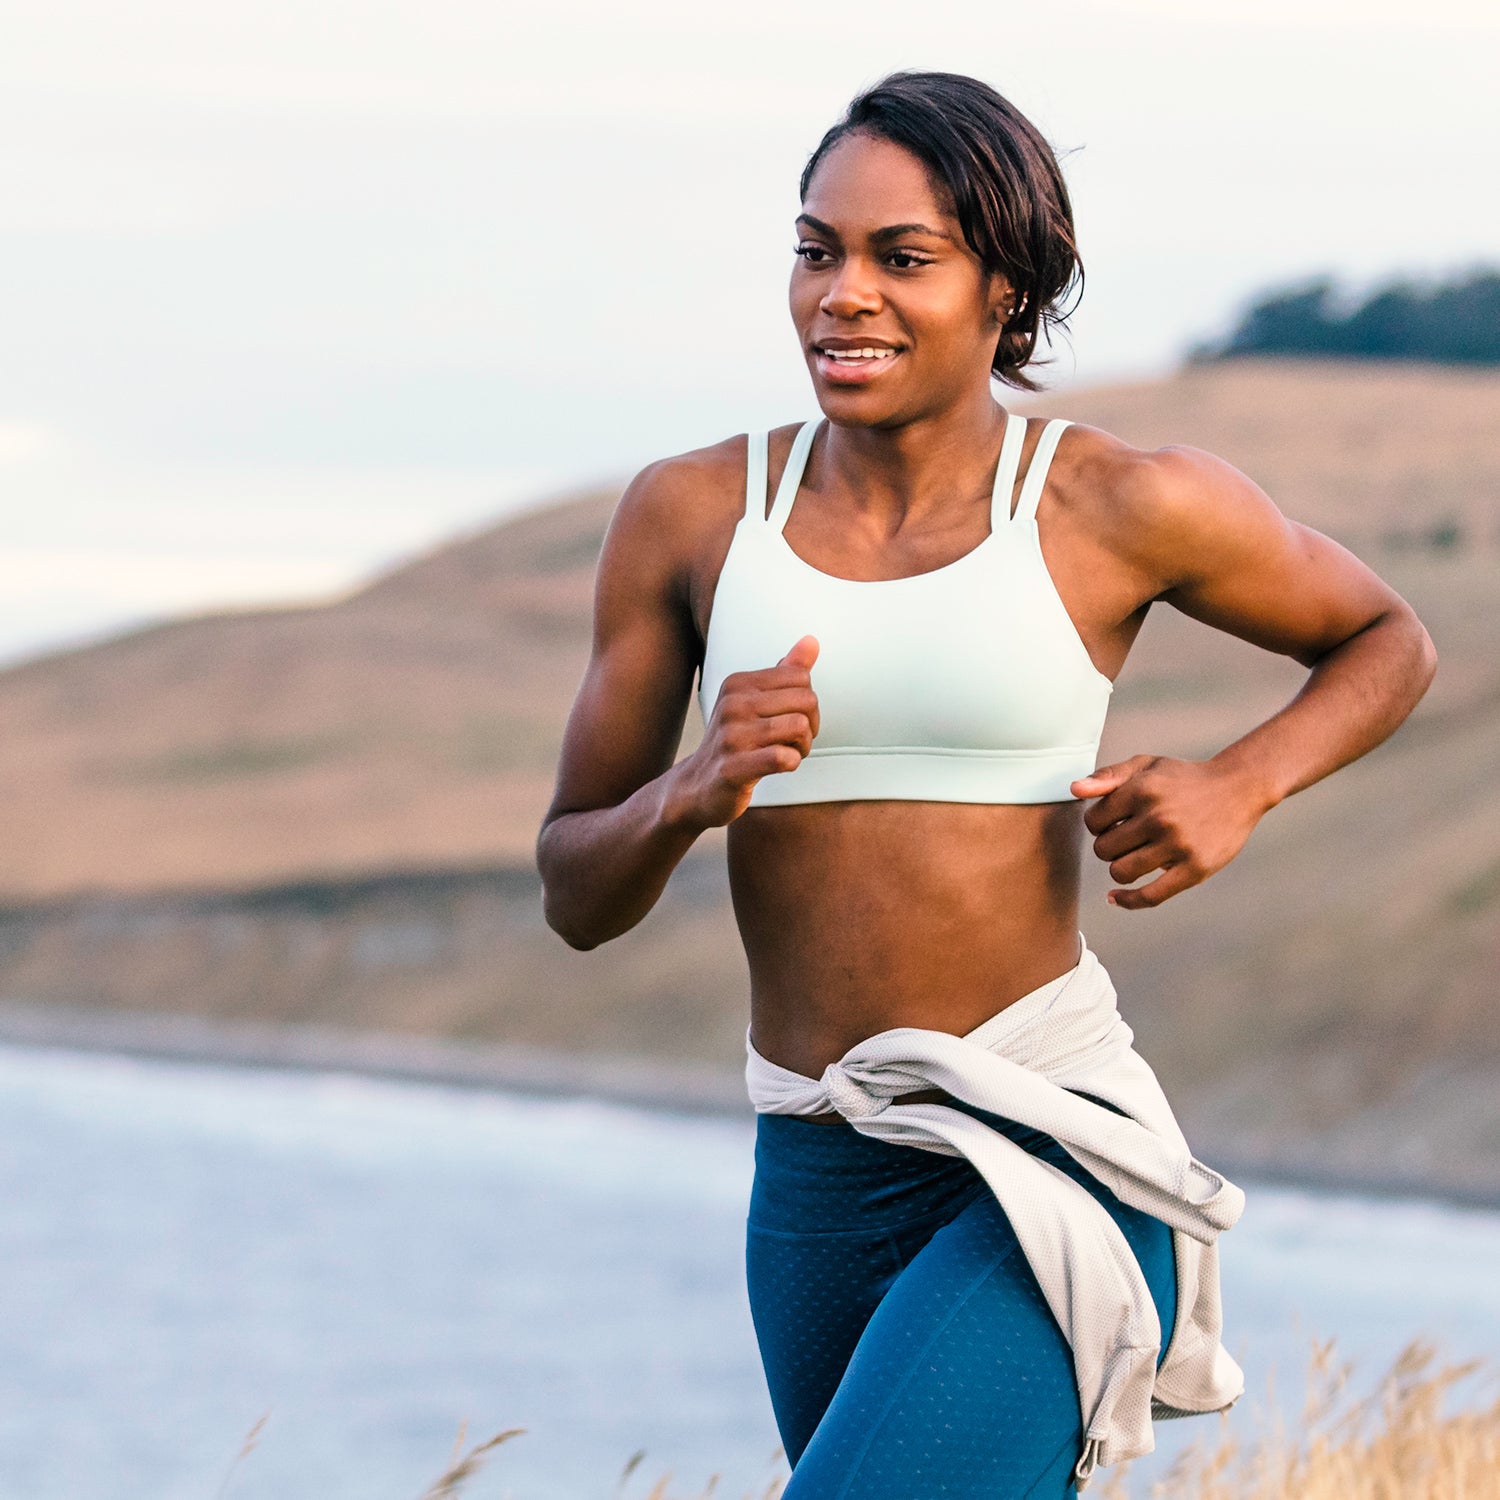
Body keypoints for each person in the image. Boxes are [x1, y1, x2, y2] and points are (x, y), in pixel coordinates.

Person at [534, 69, 1437, 1500]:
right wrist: (684, 792)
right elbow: (575, 892)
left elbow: (1387, 637)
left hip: (1047, 1132)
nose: (844, 294)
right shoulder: (698, 516)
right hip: (816, 1161)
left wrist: (1239, 786)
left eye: (904, 258)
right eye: (817, 248)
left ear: (1007, 288)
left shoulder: (1116, 502)